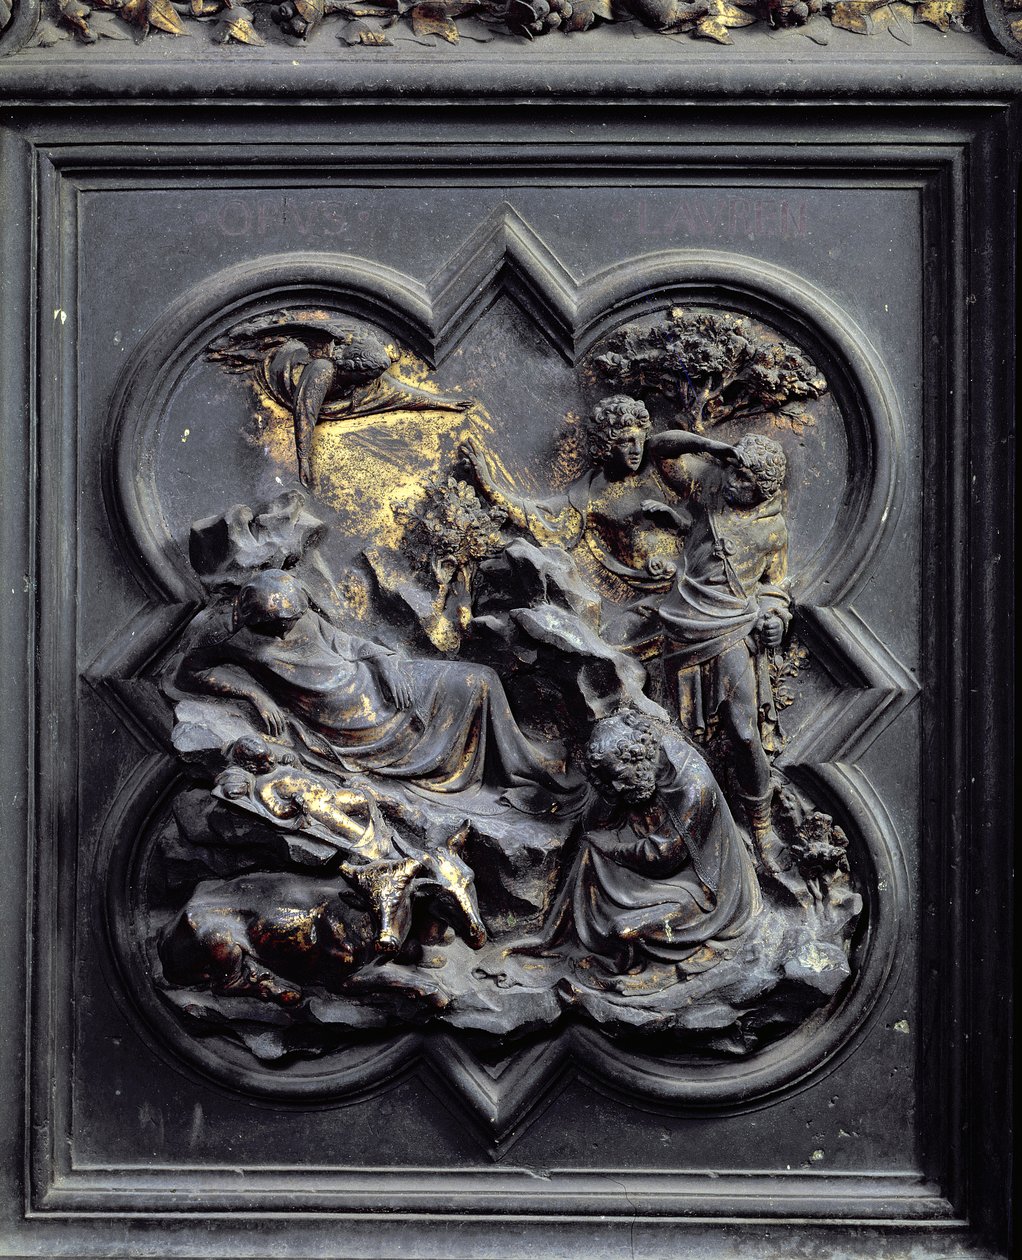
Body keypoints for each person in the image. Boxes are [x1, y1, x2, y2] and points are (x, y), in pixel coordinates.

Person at [176, 569, 573, 802]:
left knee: (478, 679)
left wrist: (385, 663)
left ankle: (524, 765)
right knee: (457, 699)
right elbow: (188, 674)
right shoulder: (228, 636)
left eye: (291, 618)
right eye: (276, 623)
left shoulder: (301, 617)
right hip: (347, 719)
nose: (286, 628)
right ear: (251, 615)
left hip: (370, 680)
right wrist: (254, 694)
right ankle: (479, 772)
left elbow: (349, 644)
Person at [640, 429, 791, 870]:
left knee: (743, 732)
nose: (735, 483)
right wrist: (708, 447)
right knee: (679, 733)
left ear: (764, 491)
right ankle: (683, 826)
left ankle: (761, 828)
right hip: (682, 625)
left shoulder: (772, 531)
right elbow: (660, 450)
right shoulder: (707, 490)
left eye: (747, 481)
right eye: (735, 472)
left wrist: (775, 619)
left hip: (731, 629)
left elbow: (774, 586)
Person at [539, 709, 759, 974]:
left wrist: (612, 847)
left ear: (637, 756)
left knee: (623, 930)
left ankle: (615, 943)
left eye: (619, 777)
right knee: (590, 849)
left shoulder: (692, 786)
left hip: (700, 889)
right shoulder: (640, 769)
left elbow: (661, 855)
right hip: (647, 860)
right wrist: (608, 795)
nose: (617, 787)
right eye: (611, 780)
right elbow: (595, 823)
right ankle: (566, 935)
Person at [460, 395, 682, 596]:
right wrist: (487, 484)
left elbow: (696, 504)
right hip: (654, 592)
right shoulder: (586, 500)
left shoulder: (658, 470)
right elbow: (531, 515)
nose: (637, 450)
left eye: (640, 441)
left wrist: (678, 519)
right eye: (626, 442)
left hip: (689, 570)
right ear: (605, 446)